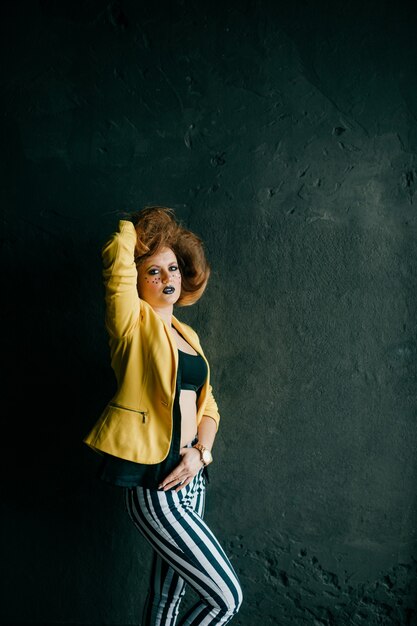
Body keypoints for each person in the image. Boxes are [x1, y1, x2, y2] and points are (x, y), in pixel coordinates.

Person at [83, 206, 243, 626]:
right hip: (156, 481)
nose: (167, 278)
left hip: (192, 478)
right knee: (225, 598)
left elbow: (209, 408)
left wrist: (200, 454)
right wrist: (140, 232)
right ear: (137, 281)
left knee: (166, 601)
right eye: (153, 271)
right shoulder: (131, 324)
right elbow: (116, 258)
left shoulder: (187, 335)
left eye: (172, 268)